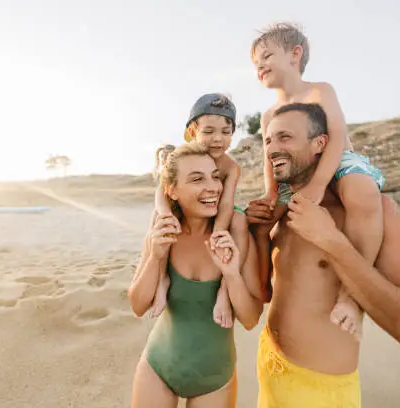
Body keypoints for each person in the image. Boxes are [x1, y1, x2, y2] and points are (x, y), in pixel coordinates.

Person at [246, 103, 400, 407]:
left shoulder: (375, 213)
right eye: (268, 141)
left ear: (320, 144)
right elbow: (266, 293)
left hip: (321, 394)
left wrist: (332, 241)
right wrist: (261, 236)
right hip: (269, 367)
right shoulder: (287, 207)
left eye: (285, 138)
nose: (273, 149)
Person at [251, 22, 386, 339]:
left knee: (362, 192)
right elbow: (270, 157)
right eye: (255, 63)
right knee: (259, 217)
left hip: (336, 163)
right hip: (295, 175)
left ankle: (351, 296)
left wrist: (317, 186)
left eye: (267, 56)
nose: (259, 66)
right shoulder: (269, 114)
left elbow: (337, 139)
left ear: (295, 54)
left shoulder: (320, 91)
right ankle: (262, 284)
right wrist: (272, 193)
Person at [129, 143, 263, 407]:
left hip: (214, 378)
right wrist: (155, 257)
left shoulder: (235, 235)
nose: (213, 187)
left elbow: (249, 319)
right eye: (197, 179)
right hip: (157, 366)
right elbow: (137, 305)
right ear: (172, 190)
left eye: (215, 176)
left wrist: (231, 274)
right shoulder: (163, 231)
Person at [149, 93, 250, 329]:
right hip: (189, 207)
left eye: (226, 132)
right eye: (209, 131)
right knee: (162, 223)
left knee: (240, 222)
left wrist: (219, 232)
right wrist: (165, 215)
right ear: (192, 132)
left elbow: (226, 202)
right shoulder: (183, 157)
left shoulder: (231, 167)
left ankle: (225, 291)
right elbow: (161, 192)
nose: (218, 139)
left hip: (217, 209)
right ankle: (163, 279)